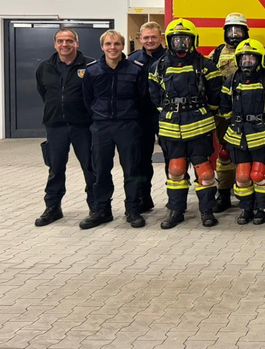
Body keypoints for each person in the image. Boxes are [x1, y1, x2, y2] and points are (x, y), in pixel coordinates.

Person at [149, 18, 223, 229]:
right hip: (172, 128)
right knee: (175, 170)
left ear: (193, 40)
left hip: (199, 126)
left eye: (185, 39)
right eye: (176, 39)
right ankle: (176, 210)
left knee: (206, 172)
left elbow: (216, 95)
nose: (180, 44)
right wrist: (168, 112)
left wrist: (205, 113)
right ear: (169, 41)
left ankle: (207, 210)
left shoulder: (206, 65)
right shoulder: (158, 67)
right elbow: (154, 96)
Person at [79, 30, 148, 229]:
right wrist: (98, 116)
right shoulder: (91, 71)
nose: (113, 48)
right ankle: (101, 211)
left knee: (132, 170)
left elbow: (142, 99)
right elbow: (87, 99)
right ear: (102, 47)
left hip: (128, 126)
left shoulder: (135, 70)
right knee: (100, 171)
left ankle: (133, 210)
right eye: (108, 44)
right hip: (101, 127)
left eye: (117, 44)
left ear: (123, 46)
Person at [218, 39, 265, 225]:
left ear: (260, 60)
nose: (247, 62)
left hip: (262, 134)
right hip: (238, 134)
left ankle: (262, 209)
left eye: (251, 58)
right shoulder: (231, 81)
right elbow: (224, 107)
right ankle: (246, 208)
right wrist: (232, 121)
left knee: (258, 174)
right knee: (242, 175)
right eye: (244, 58)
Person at [34, 28, 95, 226]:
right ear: (55, 44)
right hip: (55, 126)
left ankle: (97, 207)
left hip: (83, 126)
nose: (65, 44)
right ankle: (53, 207)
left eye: (69, 41)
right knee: (55, 168)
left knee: (91, 168)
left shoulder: (91, 65)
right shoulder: (45, 67)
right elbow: (44, 92)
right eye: (60, 41)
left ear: (77, 43)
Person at [208, 12, 249, 213]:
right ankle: (223, 194)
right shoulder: (215, 54)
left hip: (250, 113)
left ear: (246, 32)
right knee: (224, 153)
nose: (234, 34)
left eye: (238, 30)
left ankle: (250, 195)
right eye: (231, 30)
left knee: (250, 153)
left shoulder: (256, 52)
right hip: (225, 112)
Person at [128, 21, 166, 212]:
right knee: (141, 160)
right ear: (140, 38)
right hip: (141, 118)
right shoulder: (132, 60)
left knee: (173, 158)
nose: (150, 40)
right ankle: (144, 198)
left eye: (154, 37)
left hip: (167, 116)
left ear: (161, 37)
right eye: (146, 37)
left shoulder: (172, 58)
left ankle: (175, 199)